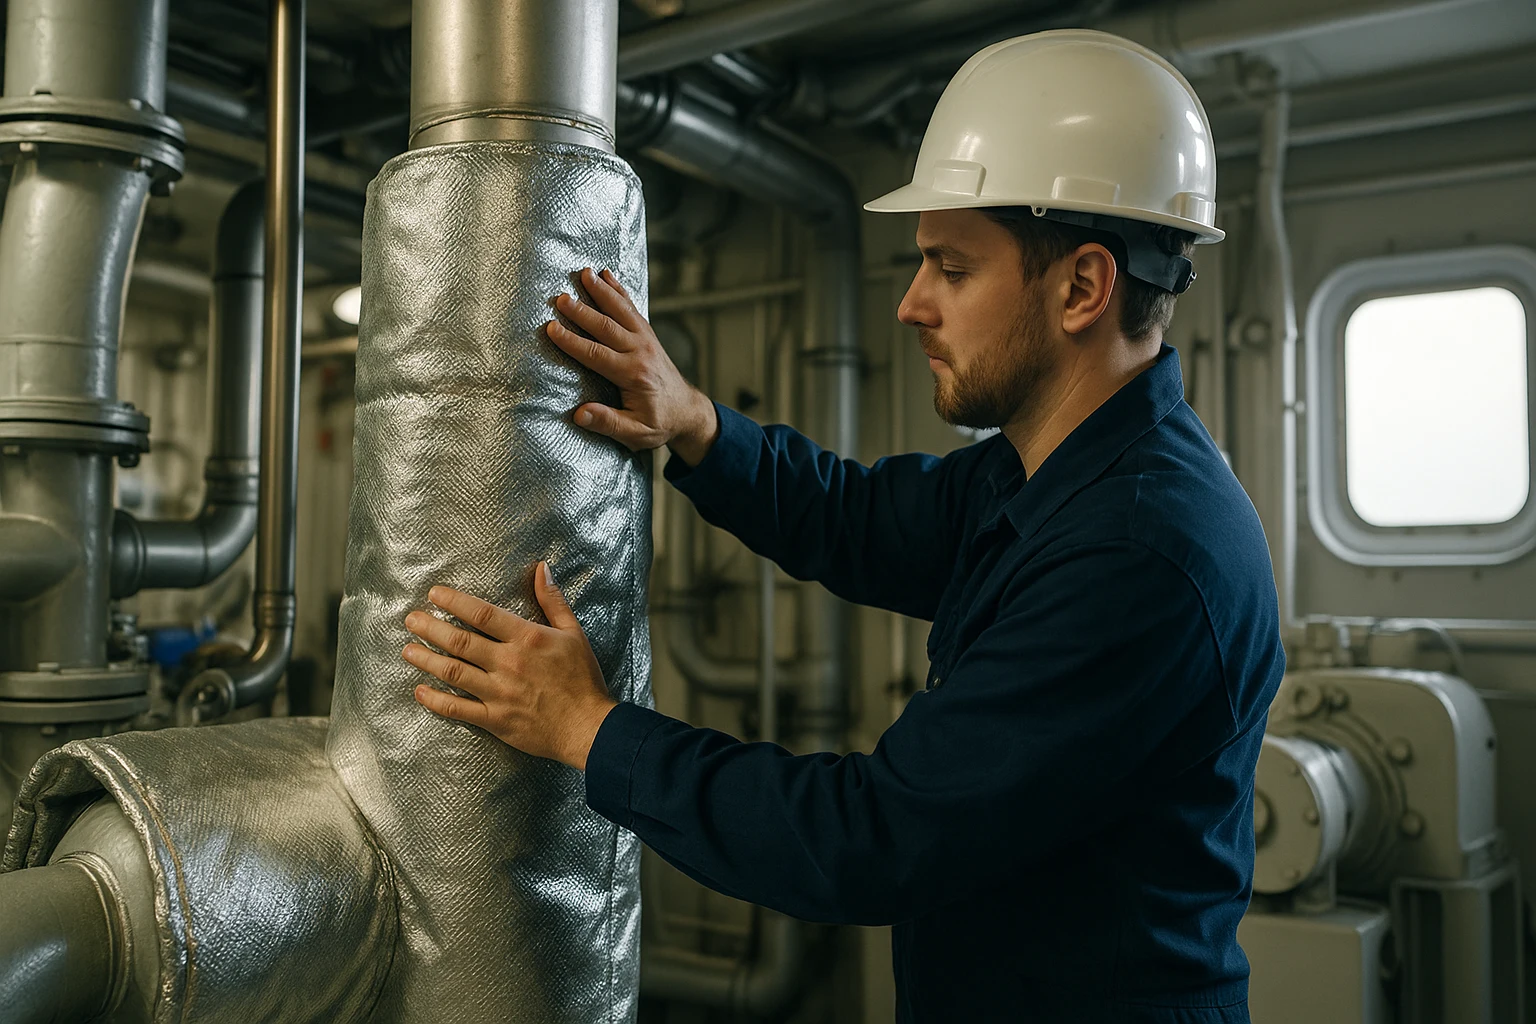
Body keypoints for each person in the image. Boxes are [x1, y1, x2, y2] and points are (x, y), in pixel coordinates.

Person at [400, 29, 1284, 1024]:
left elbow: (873, 839)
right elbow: (862, 520)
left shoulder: (1140, 549)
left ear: (1083, 286)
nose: (911, 305)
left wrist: (586, 727)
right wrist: (694, 424)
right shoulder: (1054, 469)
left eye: (952, 268)